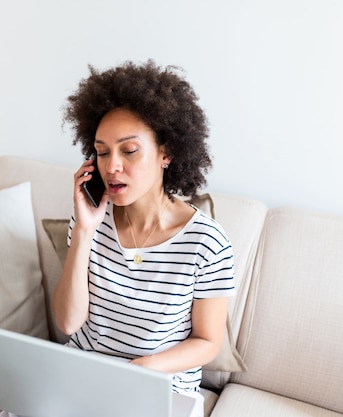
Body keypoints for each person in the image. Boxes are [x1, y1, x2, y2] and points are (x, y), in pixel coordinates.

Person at [51, 60, 236, 417]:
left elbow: (208, 341)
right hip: (84, 376)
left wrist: (143, 368)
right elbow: (69, 323)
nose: (111, 166)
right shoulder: (91, 218)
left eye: (129, 150)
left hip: (159, 385)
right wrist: (85, 231)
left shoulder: (206, 242)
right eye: (102, 152)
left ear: (166, 152)